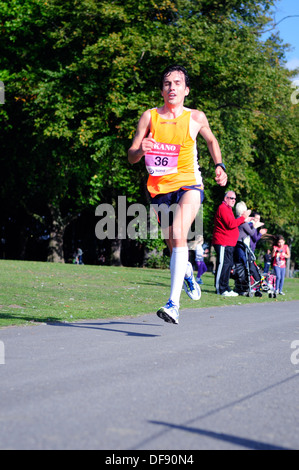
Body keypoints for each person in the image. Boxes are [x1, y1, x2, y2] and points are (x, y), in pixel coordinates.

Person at [128, 65, 227, 324]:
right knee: (172, 244)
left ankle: (173, 304)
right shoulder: (149, 117)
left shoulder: (196, 117)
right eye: (167, 83)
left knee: (177, 232)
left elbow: (211, 141)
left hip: (189, 184)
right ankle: (187, 273)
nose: (172, 87)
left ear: (186, 90)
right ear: (162, 89)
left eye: (177, 83)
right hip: (159, 189)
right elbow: (131, 156)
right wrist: (140, 151)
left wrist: (219, 165)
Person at [212, 191, 251, 296]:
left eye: (234, 199)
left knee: (228, 265)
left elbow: (233, 224)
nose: (233, 200)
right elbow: (231, 224)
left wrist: (244, 220)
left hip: (229, 243)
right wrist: (243, 218)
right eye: (231, 198)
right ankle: (220, 289)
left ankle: (226, 288)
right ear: (226, 198)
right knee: (223, 265)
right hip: (222, 241)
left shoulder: (228, 209)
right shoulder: (223, 208)